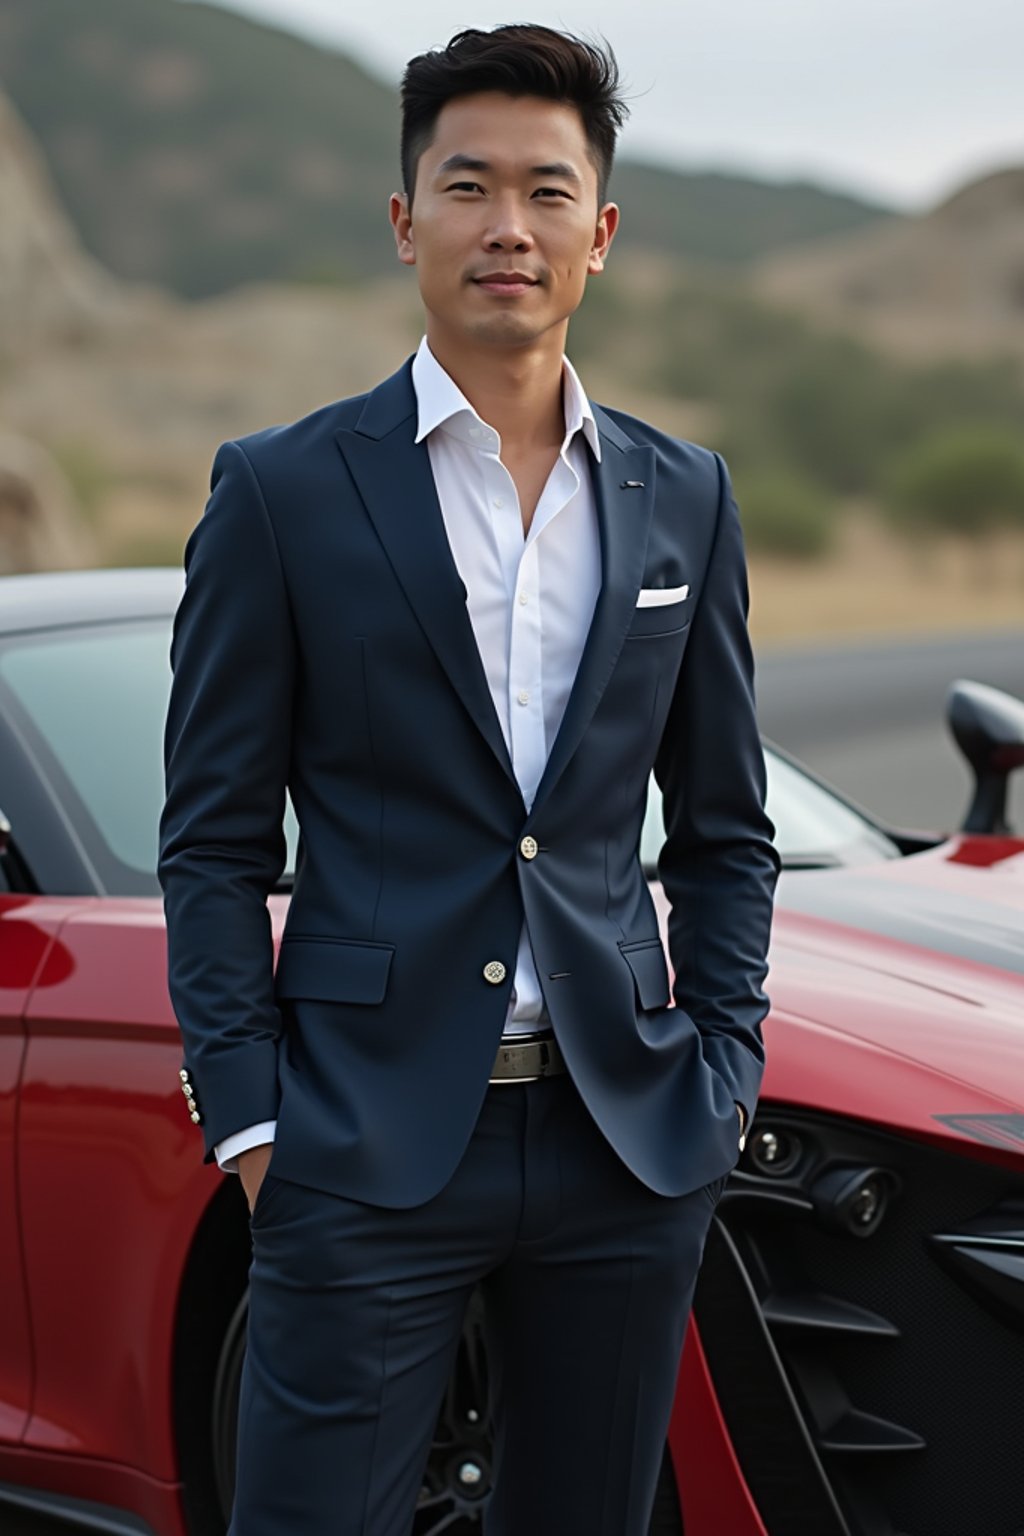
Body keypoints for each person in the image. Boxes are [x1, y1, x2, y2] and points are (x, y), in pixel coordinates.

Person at [158, 23, 779, 1535]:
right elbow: (214, 841)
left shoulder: (682, 495)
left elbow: (725, 829)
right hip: (360, 1146)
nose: (510, 225)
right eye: (470, 186)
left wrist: (720, 1073)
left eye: (548, 192)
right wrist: (251, 1125)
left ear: (602, 233)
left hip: (621, 1137)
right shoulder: (284, 488)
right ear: (405, 221)